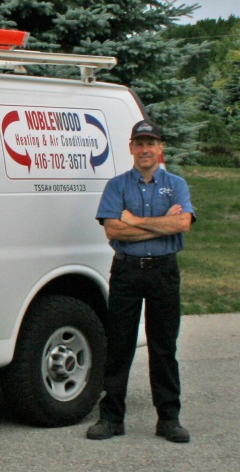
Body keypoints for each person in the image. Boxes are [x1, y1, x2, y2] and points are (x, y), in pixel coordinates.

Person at [86, 119, 196, 443]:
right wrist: (162, 223)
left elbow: (183, 224)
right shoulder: (117, 186)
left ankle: (168, 419)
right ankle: (111, 418)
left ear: (160, 149)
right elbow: (112, 230)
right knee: (119, 345)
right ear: (131, 148)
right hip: (127, 271)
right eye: (140, 143)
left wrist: (133, 220)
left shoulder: (176, 184)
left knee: (164, 347)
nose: (145, 149)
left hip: (163, 271)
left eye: (151, 143)